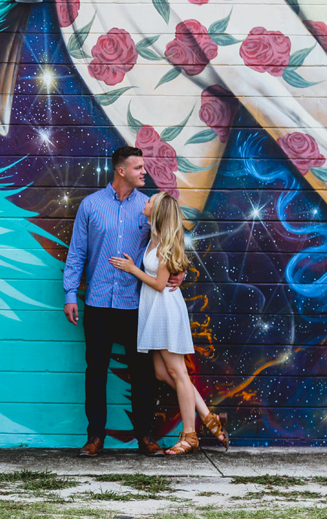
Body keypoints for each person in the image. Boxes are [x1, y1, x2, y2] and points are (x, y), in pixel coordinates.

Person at [62, 146, 183, 457]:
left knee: (142, 372)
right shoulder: (91, 206)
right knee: (96, 370)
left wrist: (182, 272)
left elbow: (171, 241)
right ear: (121, 170)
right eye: (138, 167)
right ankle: (95, 438)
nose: (144, 172)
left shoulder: (148, 207)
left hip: (136, 304)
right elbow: (77, 253)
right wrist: (70, 294)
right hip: (99, 303)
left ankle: (145, 437)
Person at [109, 191, 229, 455]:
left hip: (164, 310)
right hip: (153, 310)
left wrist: (133, 270)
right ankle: (209, 418)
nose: (145, 202)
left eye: (150, 200)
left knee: (178, 372)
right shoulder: (153, 237)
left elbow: (160, 284)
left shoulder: (164, 243)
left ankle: (189, 436)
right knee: (163, 373)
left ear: (158, 210)